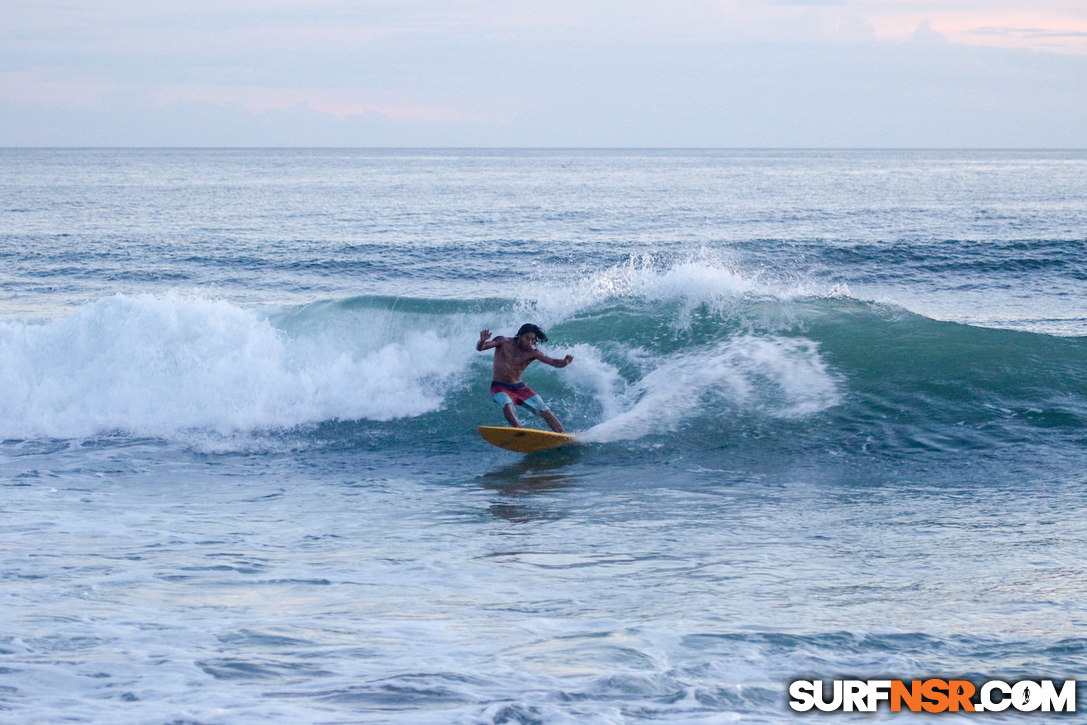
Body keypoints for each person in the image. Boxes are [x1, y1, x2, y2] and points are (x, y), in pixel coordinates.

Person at [476, 323, 574, 432]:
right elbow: (481, 348)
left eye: (533, 340)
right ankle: (519, 431)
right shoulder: (503, 341)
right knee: (507, 404)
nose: (530, 342)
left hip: (520, 388)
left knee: (545, 410)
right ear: (520, 335)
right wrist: (482, 341)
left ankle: (562, 435)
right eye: (527, 338)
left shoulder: (533, 353)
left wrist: (564, 362)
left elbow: (552, 361)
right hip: (499, 387)